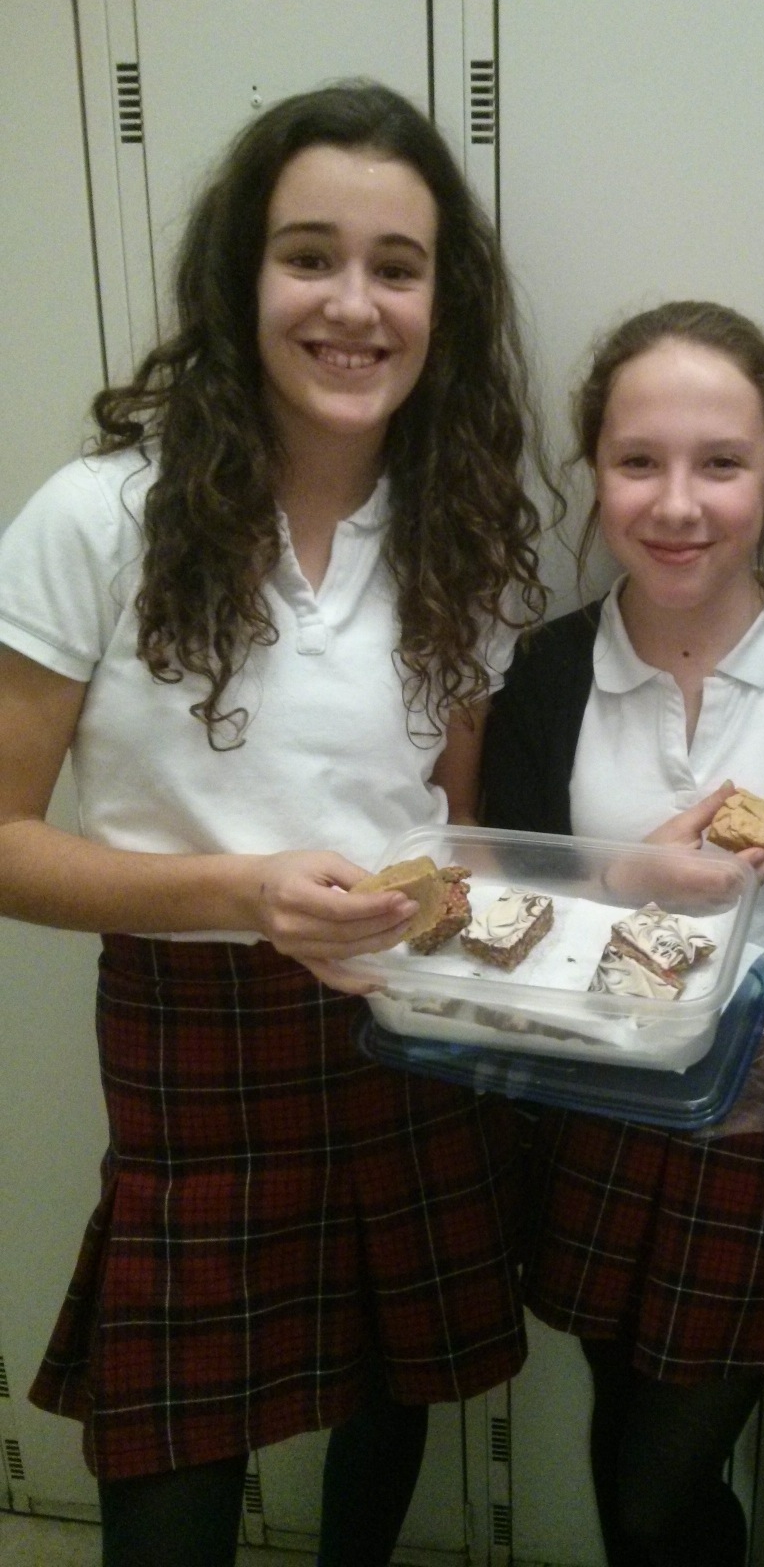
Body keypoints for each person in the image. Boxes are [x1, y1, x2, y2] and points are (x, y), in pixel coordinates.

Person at [0, 81, 550, 1567]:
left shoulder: (465, 535)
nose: (353, 305)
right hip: (194, 1043)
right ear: (241, 276)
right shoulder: (97, 519)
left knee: (396, 1377)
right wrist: (245, 893)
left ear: (444, 302)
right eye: (310, 256)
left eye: (397, 267)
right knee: (171, 1453)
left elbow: (460, 823)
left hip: (403, 1027)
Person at [481, 301, 764, 1567]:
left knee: (651, 1490)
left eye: (721, 463)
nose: (677, 505)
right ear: (594, 470)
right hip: (594, 1091)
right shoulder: (548, 673)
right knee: (625, 1425)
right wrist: (628, 879)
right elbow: (500, 912)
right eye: (639, 461)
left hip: (763, 1107)